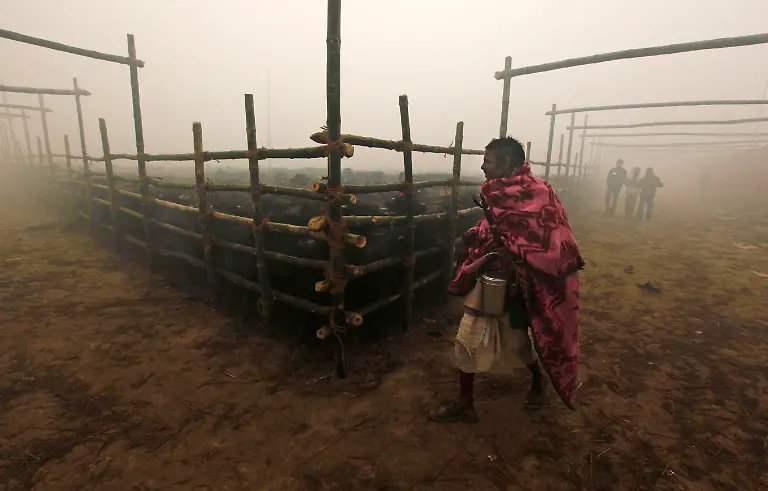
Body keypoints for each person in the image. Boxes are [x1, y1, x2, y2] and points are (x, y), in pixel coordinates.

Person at [429, 137, 584, 423]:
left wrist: (513, 248)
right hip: (492, 276)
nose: (483, 166)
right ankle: (465, 404)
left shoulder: (540, 193)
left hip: (528, 281)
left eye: (488, 161)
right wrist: (478, 235)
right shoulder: (496, 193)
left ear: (507, 164)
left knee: (516, 340)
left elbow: (552, 240)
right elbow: (495, 225)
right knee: (468, 336)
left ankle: (538, 380)